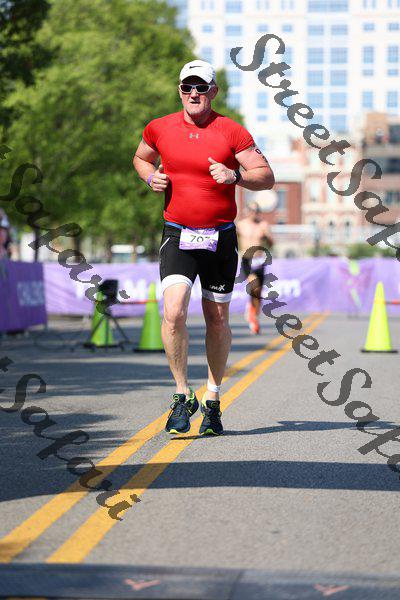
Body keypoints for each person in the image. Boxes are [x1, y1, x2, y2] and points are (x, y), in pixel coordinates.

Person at [133, 60, 274, 436]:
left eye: (201, 87)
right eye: (187, 87)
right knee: (173, 312)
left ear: (213, 91)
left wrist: (234, 175)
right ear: (179, 90)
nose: (193, 93)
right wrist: (150, 177)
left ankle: (212, 398)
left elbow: (266, 176)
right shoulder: (159, 127)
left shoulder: (231, 131)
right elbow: (141, 158)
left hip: (219, 237)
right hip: (178, 233)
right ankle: (182, 395)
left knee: (217, 320)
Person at [236, 201, 273, 334]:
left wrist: (268, 236)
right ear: (247, 211)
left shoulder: (263, 225)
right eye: (252, 210)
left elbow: (271, 243)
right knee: (254, 285)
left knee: (258, 293)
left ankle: (254, 316)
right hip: (247, 259)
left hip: (259, 260)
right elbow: (233, 240)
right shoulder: (241, 225)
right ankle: (252, 311)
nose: (254, 213)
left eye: (256, 210)